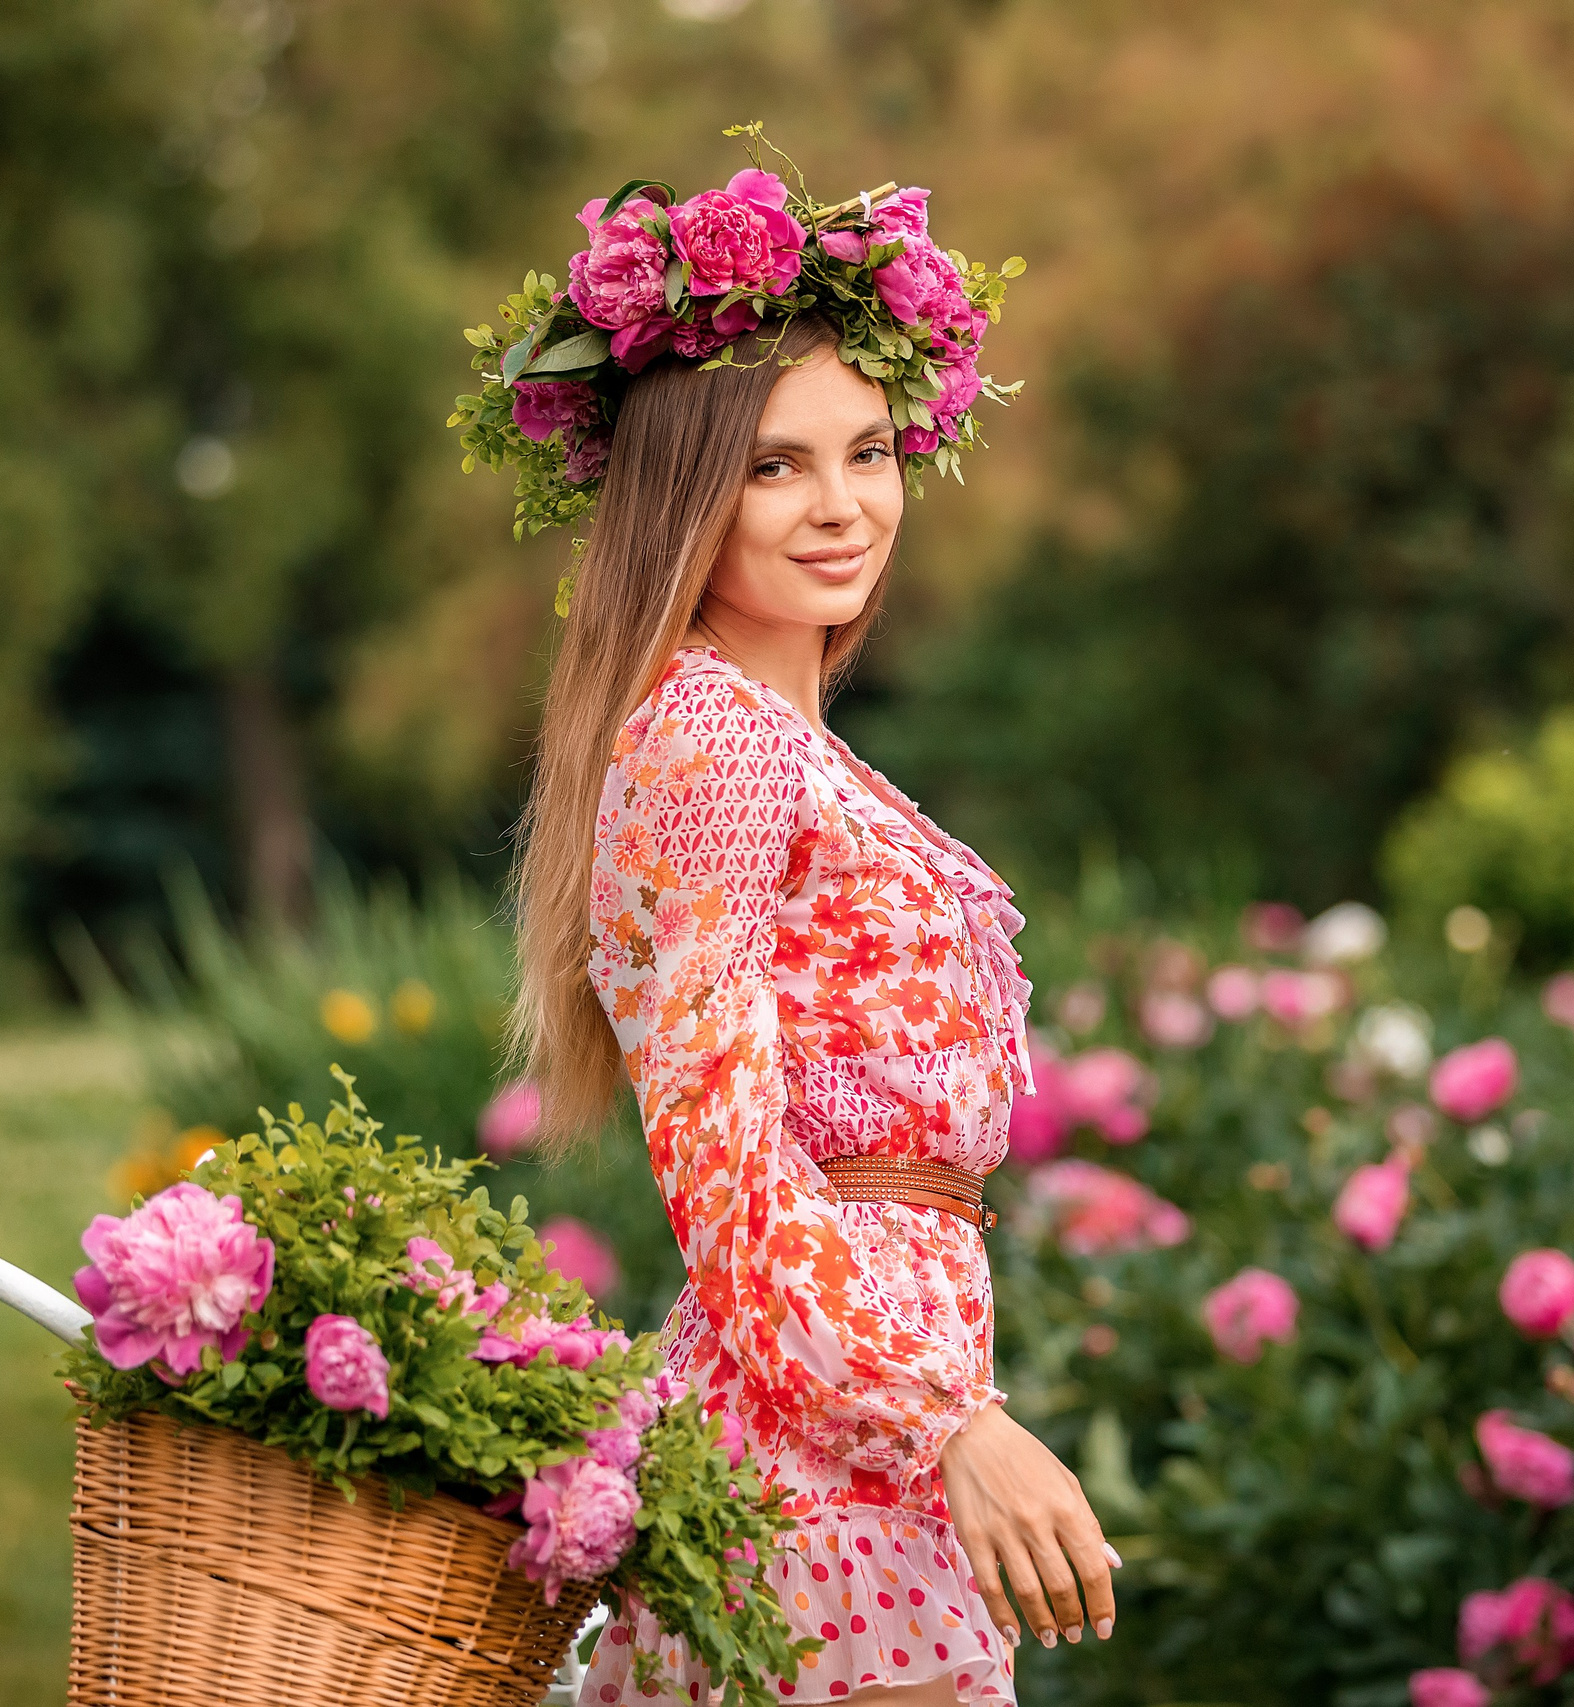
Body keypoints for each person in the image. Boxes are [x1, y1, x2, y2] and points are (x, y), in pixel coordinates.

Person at [502, 278, 1113, 1700]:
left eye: (868, 452)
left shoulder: (782, 739)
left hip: (873, 1401)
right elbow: (723, 1166)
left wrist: (943, 1410)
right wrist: (947, 1422)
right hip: (818, 1436)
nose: (842, 506)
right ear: (684, 499)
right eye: (775, 465)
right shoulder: (715, 740)